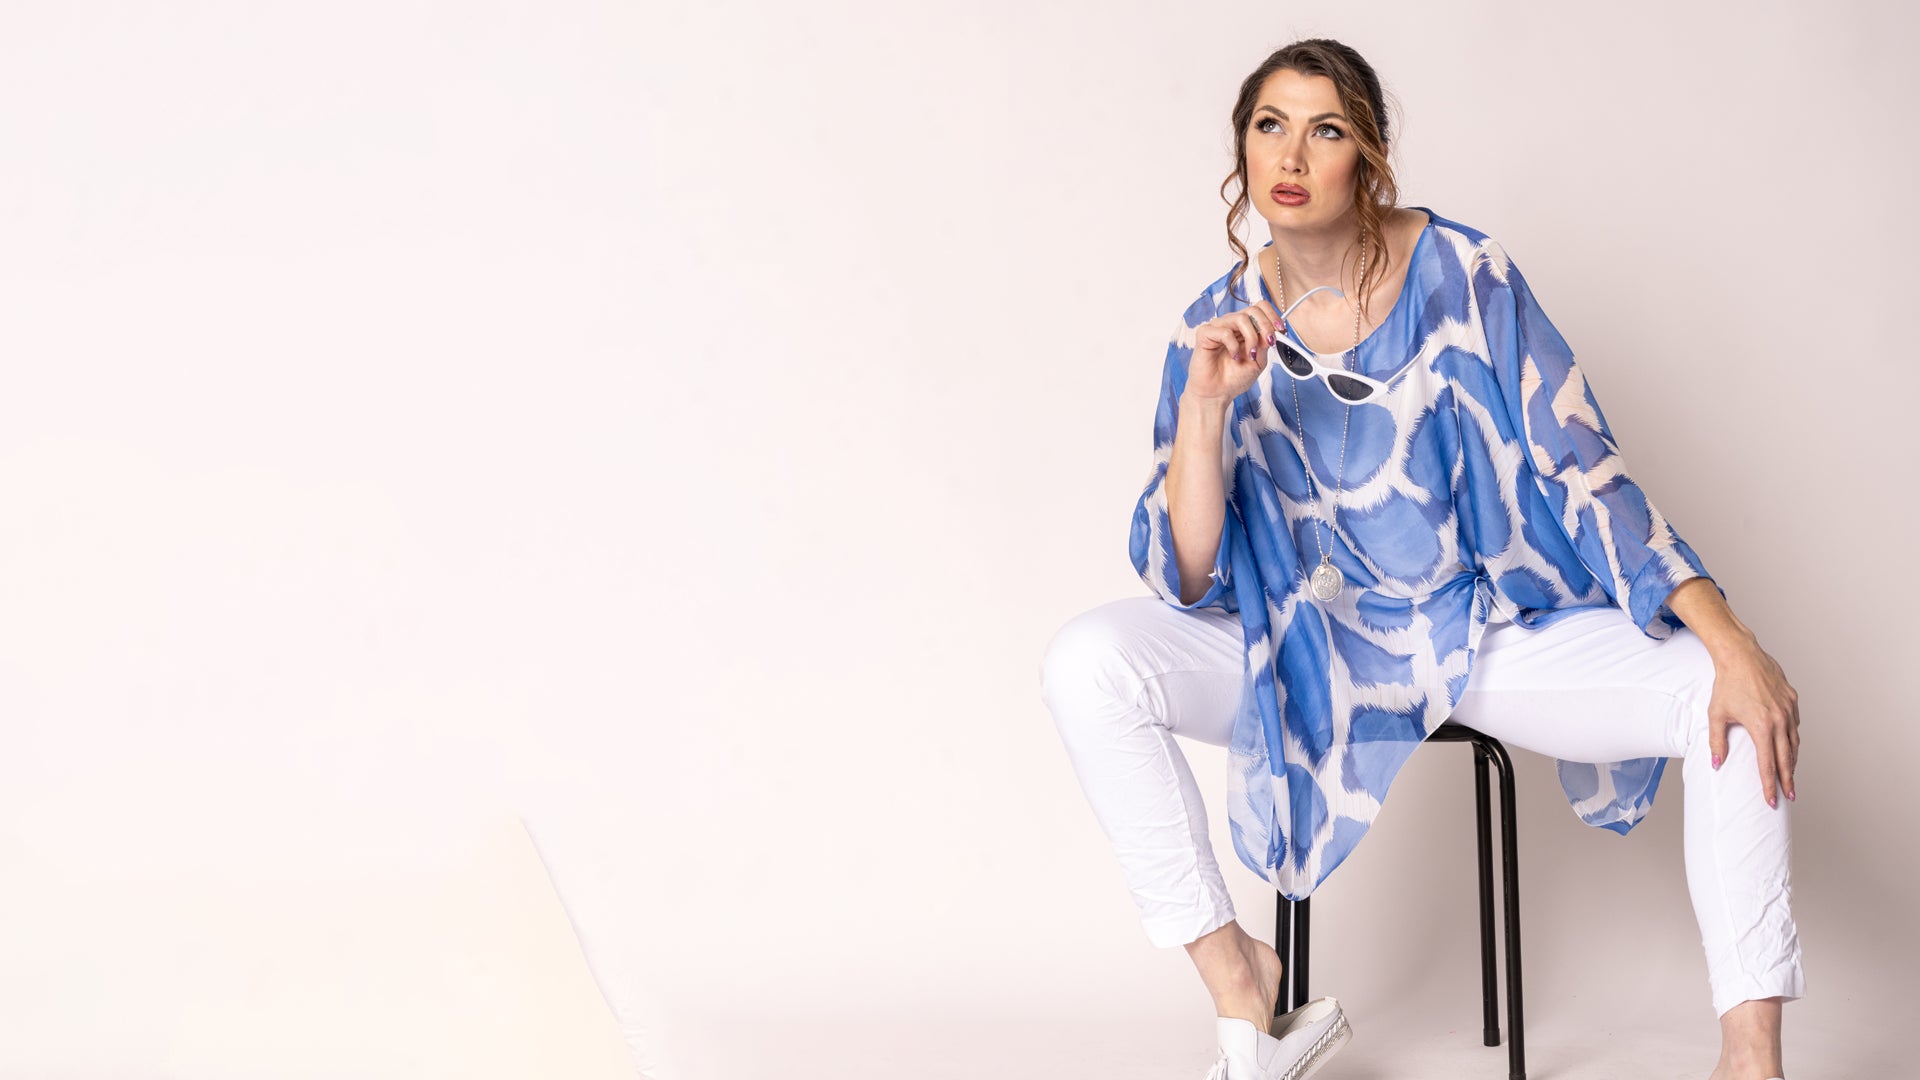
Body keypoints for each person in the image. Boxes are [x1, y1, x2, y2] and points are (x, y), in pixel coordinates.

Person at [1038, 38, 1805, 1080]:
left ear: (1371, 158)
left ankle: (1749, 1057)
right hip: (1304, 648)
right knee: (1087, 662)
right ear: (1241, 153)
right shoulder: (1213, 330)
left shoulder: (1466, 276)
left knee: (1731, 699)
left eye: (1327, 129)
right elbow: (1187, 577)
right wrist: (1206, 410)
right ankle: (1242, 983)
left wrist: (1730, 637)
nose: (1293, 153)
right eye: (1271, 125)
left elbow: (1581, 468)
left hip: (1481, 634)